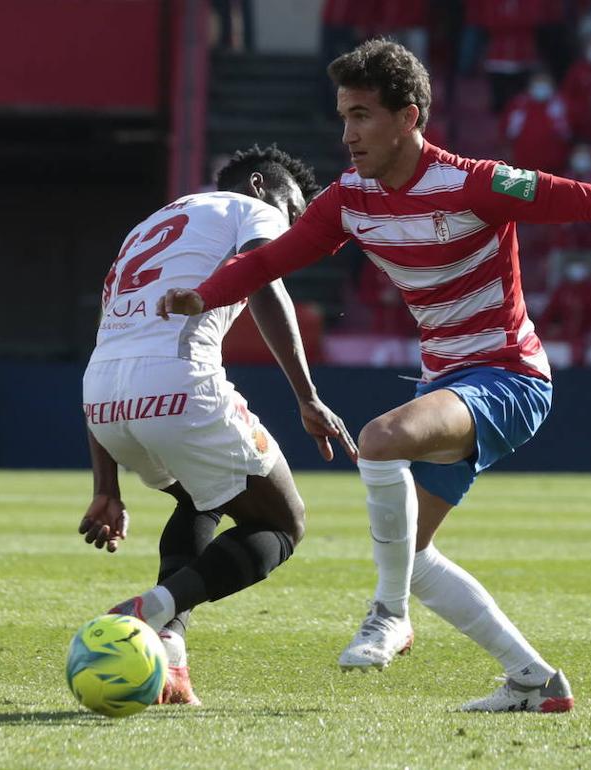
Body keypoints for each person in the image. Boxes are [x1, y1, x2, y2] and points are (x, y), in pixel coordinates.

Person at [157, 40, 591, 713]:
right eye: (343, 117)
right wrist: (204, 295)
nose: (348, 134)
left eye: (362, 116)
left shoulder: (475, 184)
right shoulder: (349, 201)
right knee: (413, 553)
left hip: (509, 377)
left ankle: (388, 615)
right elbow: (267, 263)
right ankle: (534, 681)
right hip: (446, 385)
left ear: (407, 118)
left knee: (380, 439)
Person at [78, 145, 357, 706]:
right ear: (259, 185)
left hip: (101, 397)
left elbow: (112, 341)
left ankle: (171, 651)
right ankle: (153, 608)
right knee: (283, 523)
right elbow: (266, 284)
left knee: (199, 501)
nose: (292, 227)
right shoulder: (251, 209)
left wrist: (106, 487)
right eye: (292, 211)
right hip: (178, 385)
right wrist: (308, 397)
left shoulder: (148, 227)